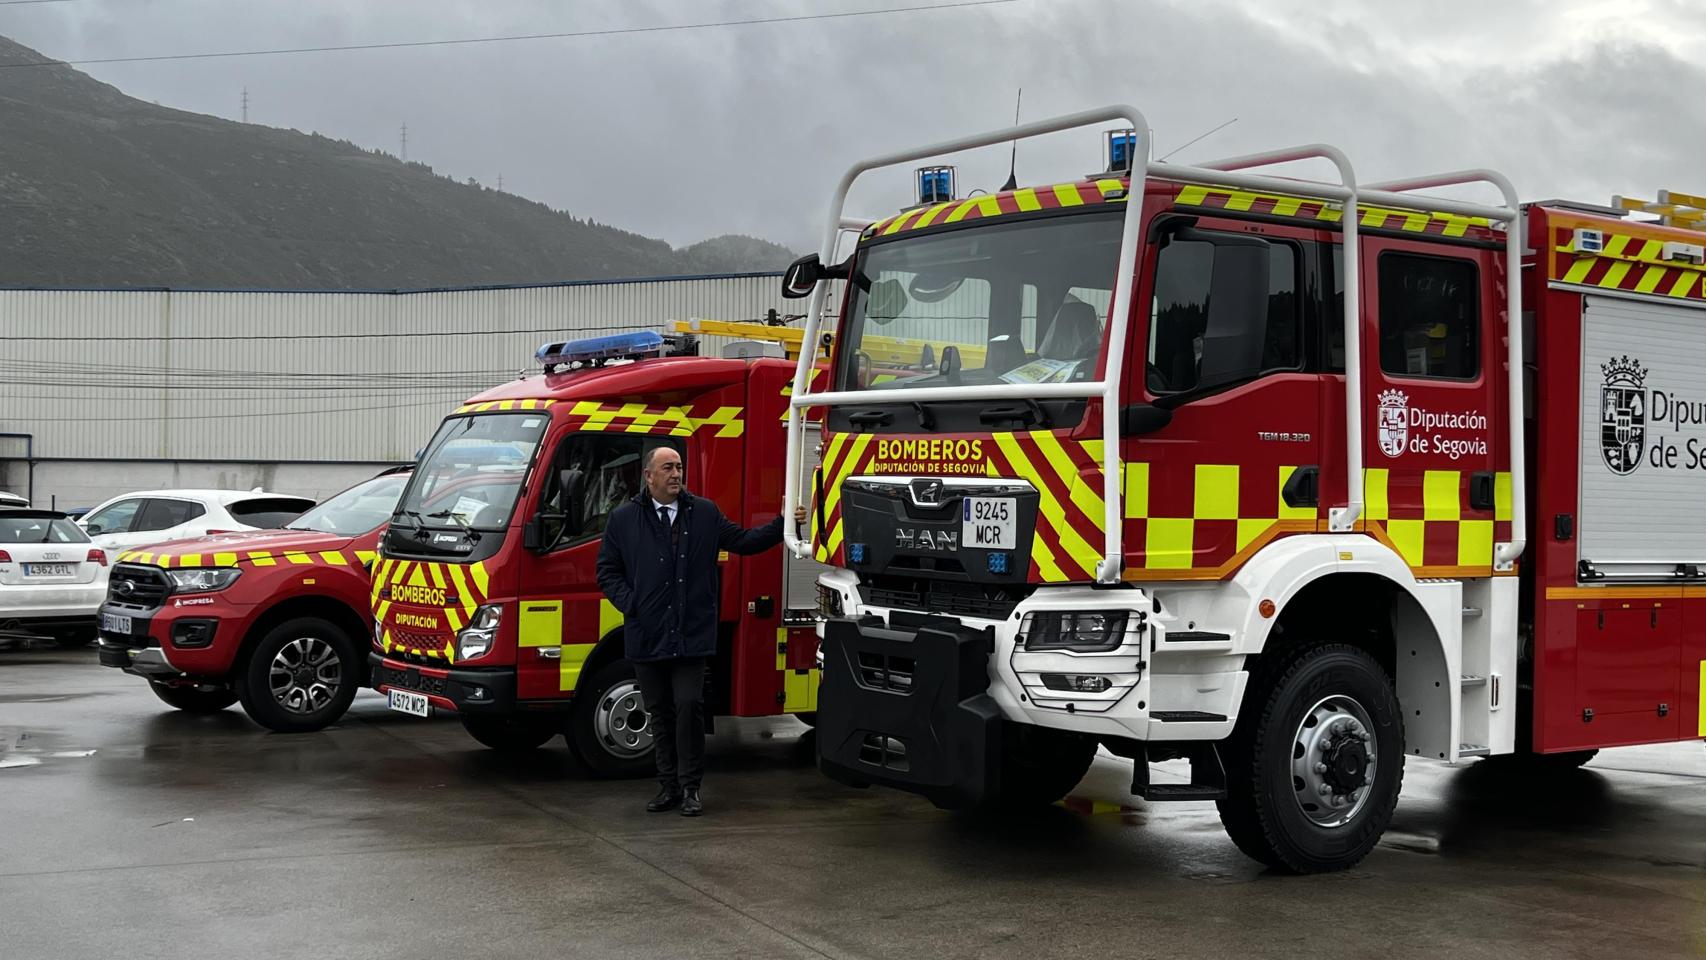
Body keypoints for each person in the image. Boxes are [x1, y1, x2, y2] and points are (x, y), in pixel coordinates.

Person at [594, 445, 806, 817]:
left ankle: (691, 787)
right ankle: (668, 786)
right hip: (647, 634)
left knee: (689, 705)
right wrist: (632, 604)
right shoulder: (624, 520)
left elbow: (744, 542)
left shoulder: (704, 513)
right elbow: (607, 571)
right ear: (649, 477)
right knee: (659, 712)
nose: (676, 474)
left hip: (691, 634)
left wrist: (784, 523)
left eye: (679, 467)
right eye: (667, 468)